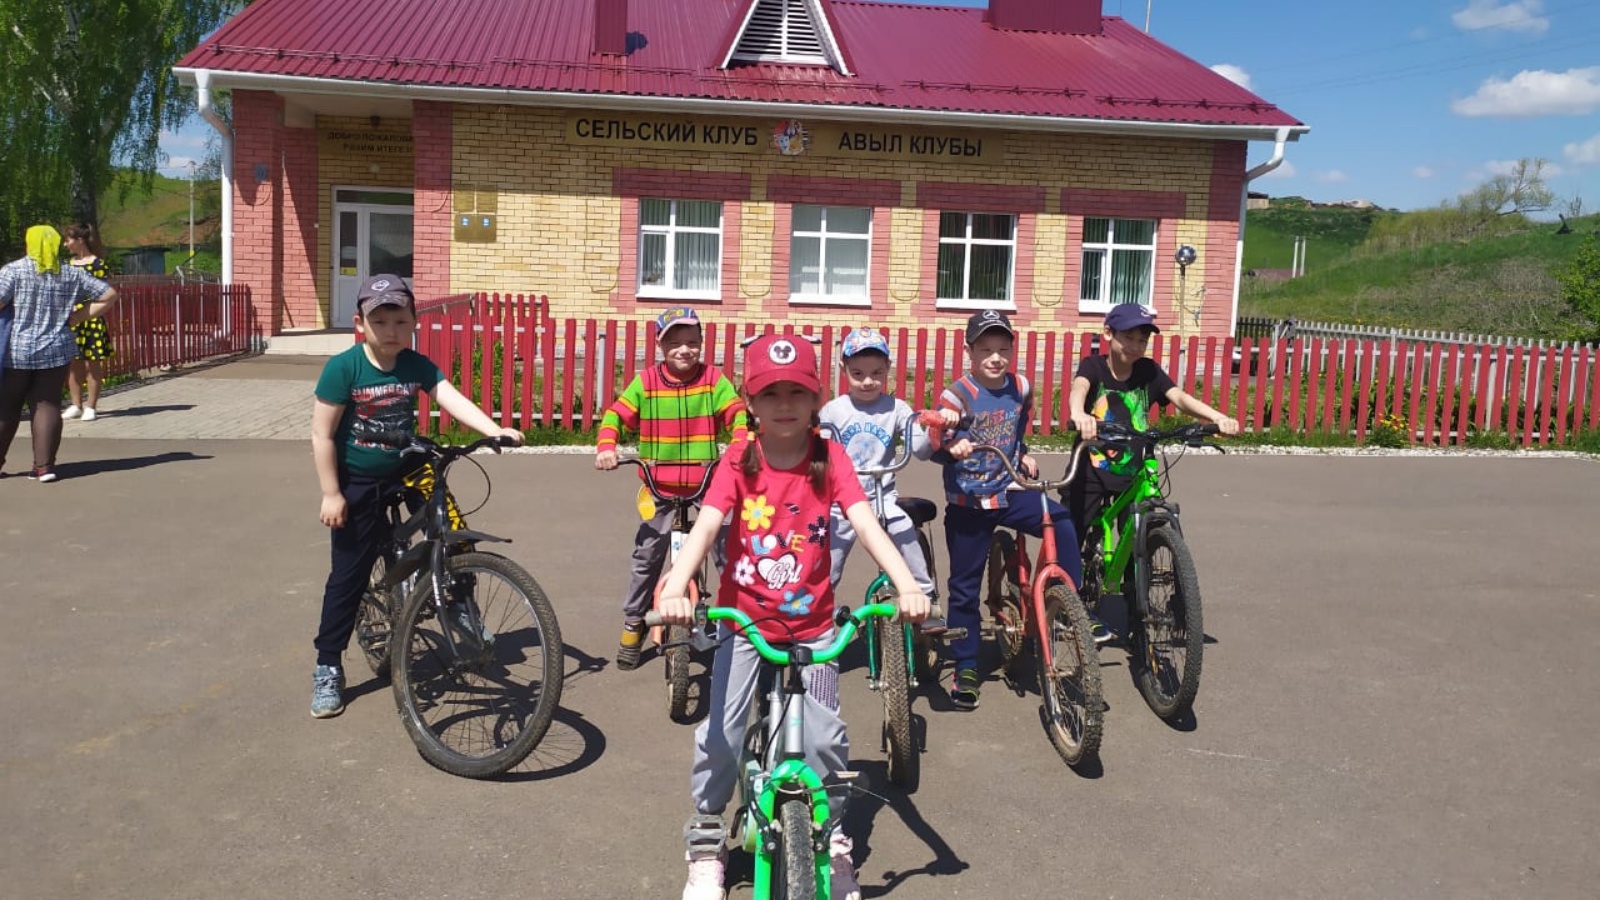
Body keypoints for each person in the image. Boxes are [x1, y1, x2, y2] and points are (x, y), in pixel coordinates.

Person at [657, 334, 930, 900]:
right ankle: (706, 840)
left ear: (816, 400)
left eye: (797, 392)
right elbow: (707, 525)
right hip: (744, 623)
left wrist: (906, 584)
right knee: (723, 735)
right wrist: (677, 585)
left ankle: (832, 838)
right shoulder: (740, 458)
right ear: (751, 402)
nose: (784, 404)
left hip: (814, 629)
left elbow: (865, 521)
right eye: (770, 393)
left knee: (827, 742)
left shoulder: (830, 458)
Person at [308, 274, 524, 719]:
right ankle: (328, 665)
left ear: (413, 323)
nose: (390, 331)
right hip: (358, 477)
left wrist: (493, 430)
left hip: (407, 465)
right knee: (348, 574)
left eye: (400, 321)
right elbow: (322, 434)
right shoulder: (344, 368)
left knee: (454, 529)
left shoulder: (415, 364)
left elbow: (449, 396)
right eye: (380, 321)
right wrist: (331, 493)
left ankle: (458, 602)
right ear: (360, 324)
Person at [930, 310, 1085, 712]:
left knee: (1060, 520)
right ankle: (966, 665)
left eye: (1003, 349)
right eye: (986, 350)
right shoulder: (956, 395)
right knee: (964, 586)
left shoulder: (1021, 386)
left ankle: (1068, 605)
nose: (995, 358)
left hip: (1010, 488)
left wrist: (1024, 453)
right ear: (969, 351)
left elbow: (1018, 425)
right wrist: (949, 444)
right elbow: (933, 444)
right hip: (969, 501)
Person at [594, 307, 746, 671]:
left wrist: (741, 441)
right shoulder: (646, 382)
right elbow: (615, 415)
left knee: (727, 550)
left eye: (692, 342)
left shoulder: (713, 380)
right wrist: (606, 446)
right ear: (660, 345)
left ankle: (739, 620)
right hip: (658, 486)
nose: (684, 350)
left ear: (702, 344)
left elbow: (736, 412)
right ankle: (634, 622)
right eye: (675, 342)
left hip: (707, 483)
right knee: (647, 555)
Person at [1064, 303, 1240, 540]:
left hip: (1133, 473)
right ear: (1108, 333)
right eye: (1128, 337)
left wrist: (1217, 417)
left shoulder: (1148, 370)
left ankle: (1140, 564)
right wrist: (1079, 413)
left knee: (1137, 540)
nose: (1135, 346)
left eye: (1142, 340)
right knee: (1070, 536)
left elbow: (1179, 397)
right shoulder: (1094, 366)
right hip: (1091, 473)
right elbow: (1079, 387)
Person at [819, 326, 938, 609]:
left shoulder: (897, 409)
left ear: (888, 368)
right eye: (858, 374)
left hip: (882, 498)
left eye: (876, 373)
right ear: (843, 369)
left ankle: (925, 595)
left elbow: (921, 450)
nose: (868, 381)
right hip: (841, 502)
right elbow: (817, 451)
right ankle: (818, 608)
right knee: (828, 559)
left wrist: (931, 432)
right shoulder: (834, 411)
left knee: (905, 532)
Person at [0, 225, 118, 482]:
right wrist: (77, 317)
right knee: (47, 404)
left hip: (15, 352)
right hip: (55, 349)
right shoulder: (70, 273)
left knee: (7, 407)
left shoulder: (13, 270)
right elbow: (109, 295)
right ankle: (44, 468)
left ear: (29, 243)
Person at [62, 223, 115, 421]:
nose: (65, 244)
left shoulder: (98, 264)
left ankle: (91, 406)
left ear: (80, 240)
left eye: (68, 240)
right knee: (73, 363)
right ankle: (75, 404)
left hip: (91, 319)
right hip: (72, 319)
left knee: (92, 364)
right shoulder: (68, 265)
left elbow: (103, 292)